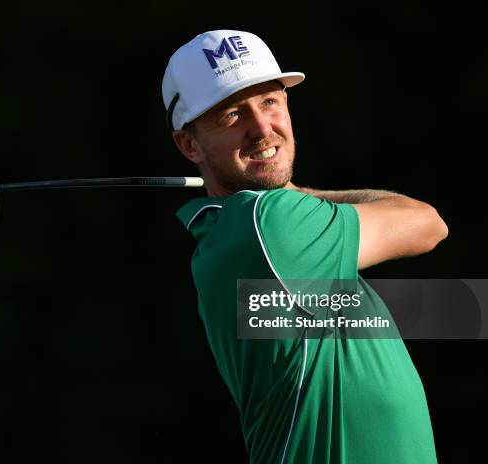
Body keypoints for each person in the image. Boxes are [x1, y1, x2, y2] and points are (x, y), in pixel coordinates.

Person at [162, 30, 448, 464]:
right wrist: (295, 194)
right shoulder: (267, 227)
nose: (262, 128)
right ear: (189, 145)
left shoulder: (250, 231)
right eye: (232, 114)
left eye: (270, 101)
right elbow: (428, 224)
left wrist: (293, 194)